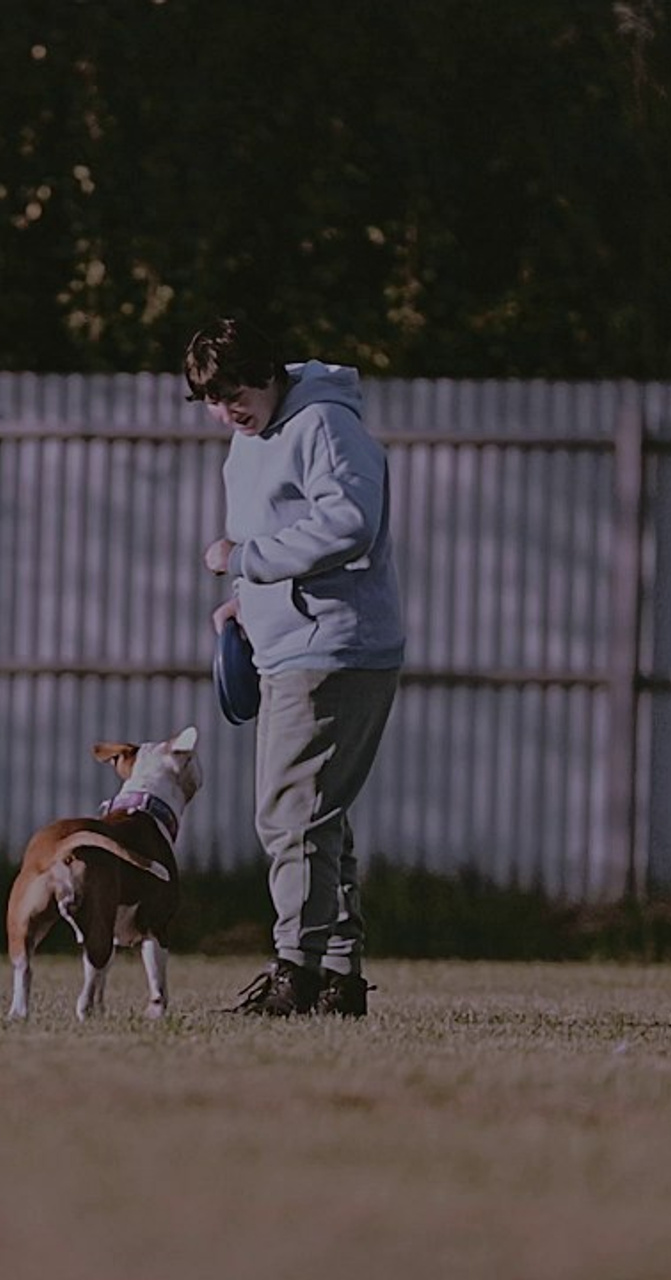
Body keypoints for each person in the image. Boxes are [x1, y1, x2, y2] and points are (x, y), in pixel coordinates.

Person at [184, 315, 404, 1017]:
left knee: (290, 816)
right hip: (290, 643)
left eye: (234, 391)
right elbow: (276, 534)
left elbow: (348, 524)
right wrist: (246, 604)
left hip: (335, 646)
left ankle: (295, 974)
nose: (226, 410)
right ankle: (338, 978)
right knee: (317, 816)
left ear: (268, 371)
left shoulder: (324, 427)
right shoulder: (250, 440)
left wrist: (244, 562)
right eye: (211, 400)